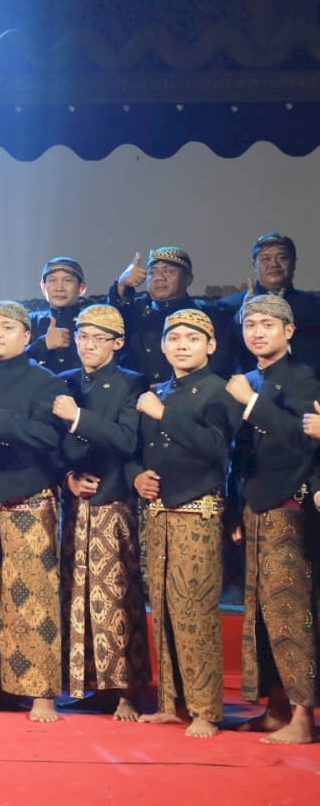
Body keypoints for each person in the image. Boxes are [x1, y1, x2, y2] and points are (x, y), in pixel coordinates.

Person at [128, 308, 239, 738]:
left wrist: (164, 415)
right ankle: (170, 704)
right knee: (163, 611)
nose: (182, 346)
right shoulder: (155, 392)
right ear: (162, 345)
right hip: (156, 516)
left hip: (198, 515)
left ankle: (206, 710)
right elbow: (134, 452)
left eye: (192, 338)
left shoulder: (219, 391)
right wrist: (136, 476)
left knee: (195, 611)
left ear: (210, 346)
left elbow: (217, 449)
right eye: (174, 338)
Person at [0, 300, 67, 722]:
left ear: (26, 336)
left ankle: (42, 694)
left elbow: (53, 438)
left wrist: (3, 423)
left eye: (6, 327)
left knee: (32, 600)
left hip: (28, 501)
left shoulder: (46, 381)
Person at [223, 295, 319, 744]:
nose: (257, 332)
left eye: (267, 324)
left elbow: (300, 444)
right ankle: (276, 709)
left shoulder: (303, 378)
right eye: (250, 325)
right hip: (255, 509)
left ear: (289, 331)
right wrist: (236, 507)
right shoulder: (248, 378)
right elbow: (238, 455)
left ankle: (303, 716)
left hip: (290, 509)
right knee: (261, 616)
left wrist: (252, 403)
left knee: (292, 613)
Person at [50, 304, 149, 720]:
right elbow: (50, 445)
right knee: (78, 595)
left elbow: (128, 440)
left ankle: (127, 690)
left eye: (98, 338)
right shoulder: (65, 381)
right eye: (82, 337)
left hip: (115, 501)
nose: (88, 345)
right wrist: (67, 478)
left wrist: (78, 417)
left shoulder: (131, 382)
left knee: (118, 596)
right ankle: (91, 685)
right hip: (75, 504)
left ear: (117, 343)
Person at [109, 247, 223, 382]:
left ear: (188, 279)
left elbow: (220, 364)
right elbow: (109, 319)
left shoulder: (206, 313)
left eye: (168, 271)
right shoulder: (134, 309)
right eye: (152, 272)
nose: (159, 278)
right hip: (136, 391)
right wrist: (121, 283)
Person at [210, 233, 320, 370]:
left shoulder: (314, 306)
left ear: (294, 262)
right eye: (265, 259)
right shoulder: (227, 307)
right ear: (254, 264)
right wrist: (242, 316)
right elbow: (221, 359)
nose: (274, 264)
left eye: (282, 258)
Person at [28, 257, 87, 377]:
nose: (59, 288)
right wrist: (44, 344)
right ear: (43, 287)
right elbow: (10, 364)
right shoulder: (28, 322)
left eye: (67, 280)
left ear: (81, 288)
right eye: (52, 280)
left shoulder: (92, 322)